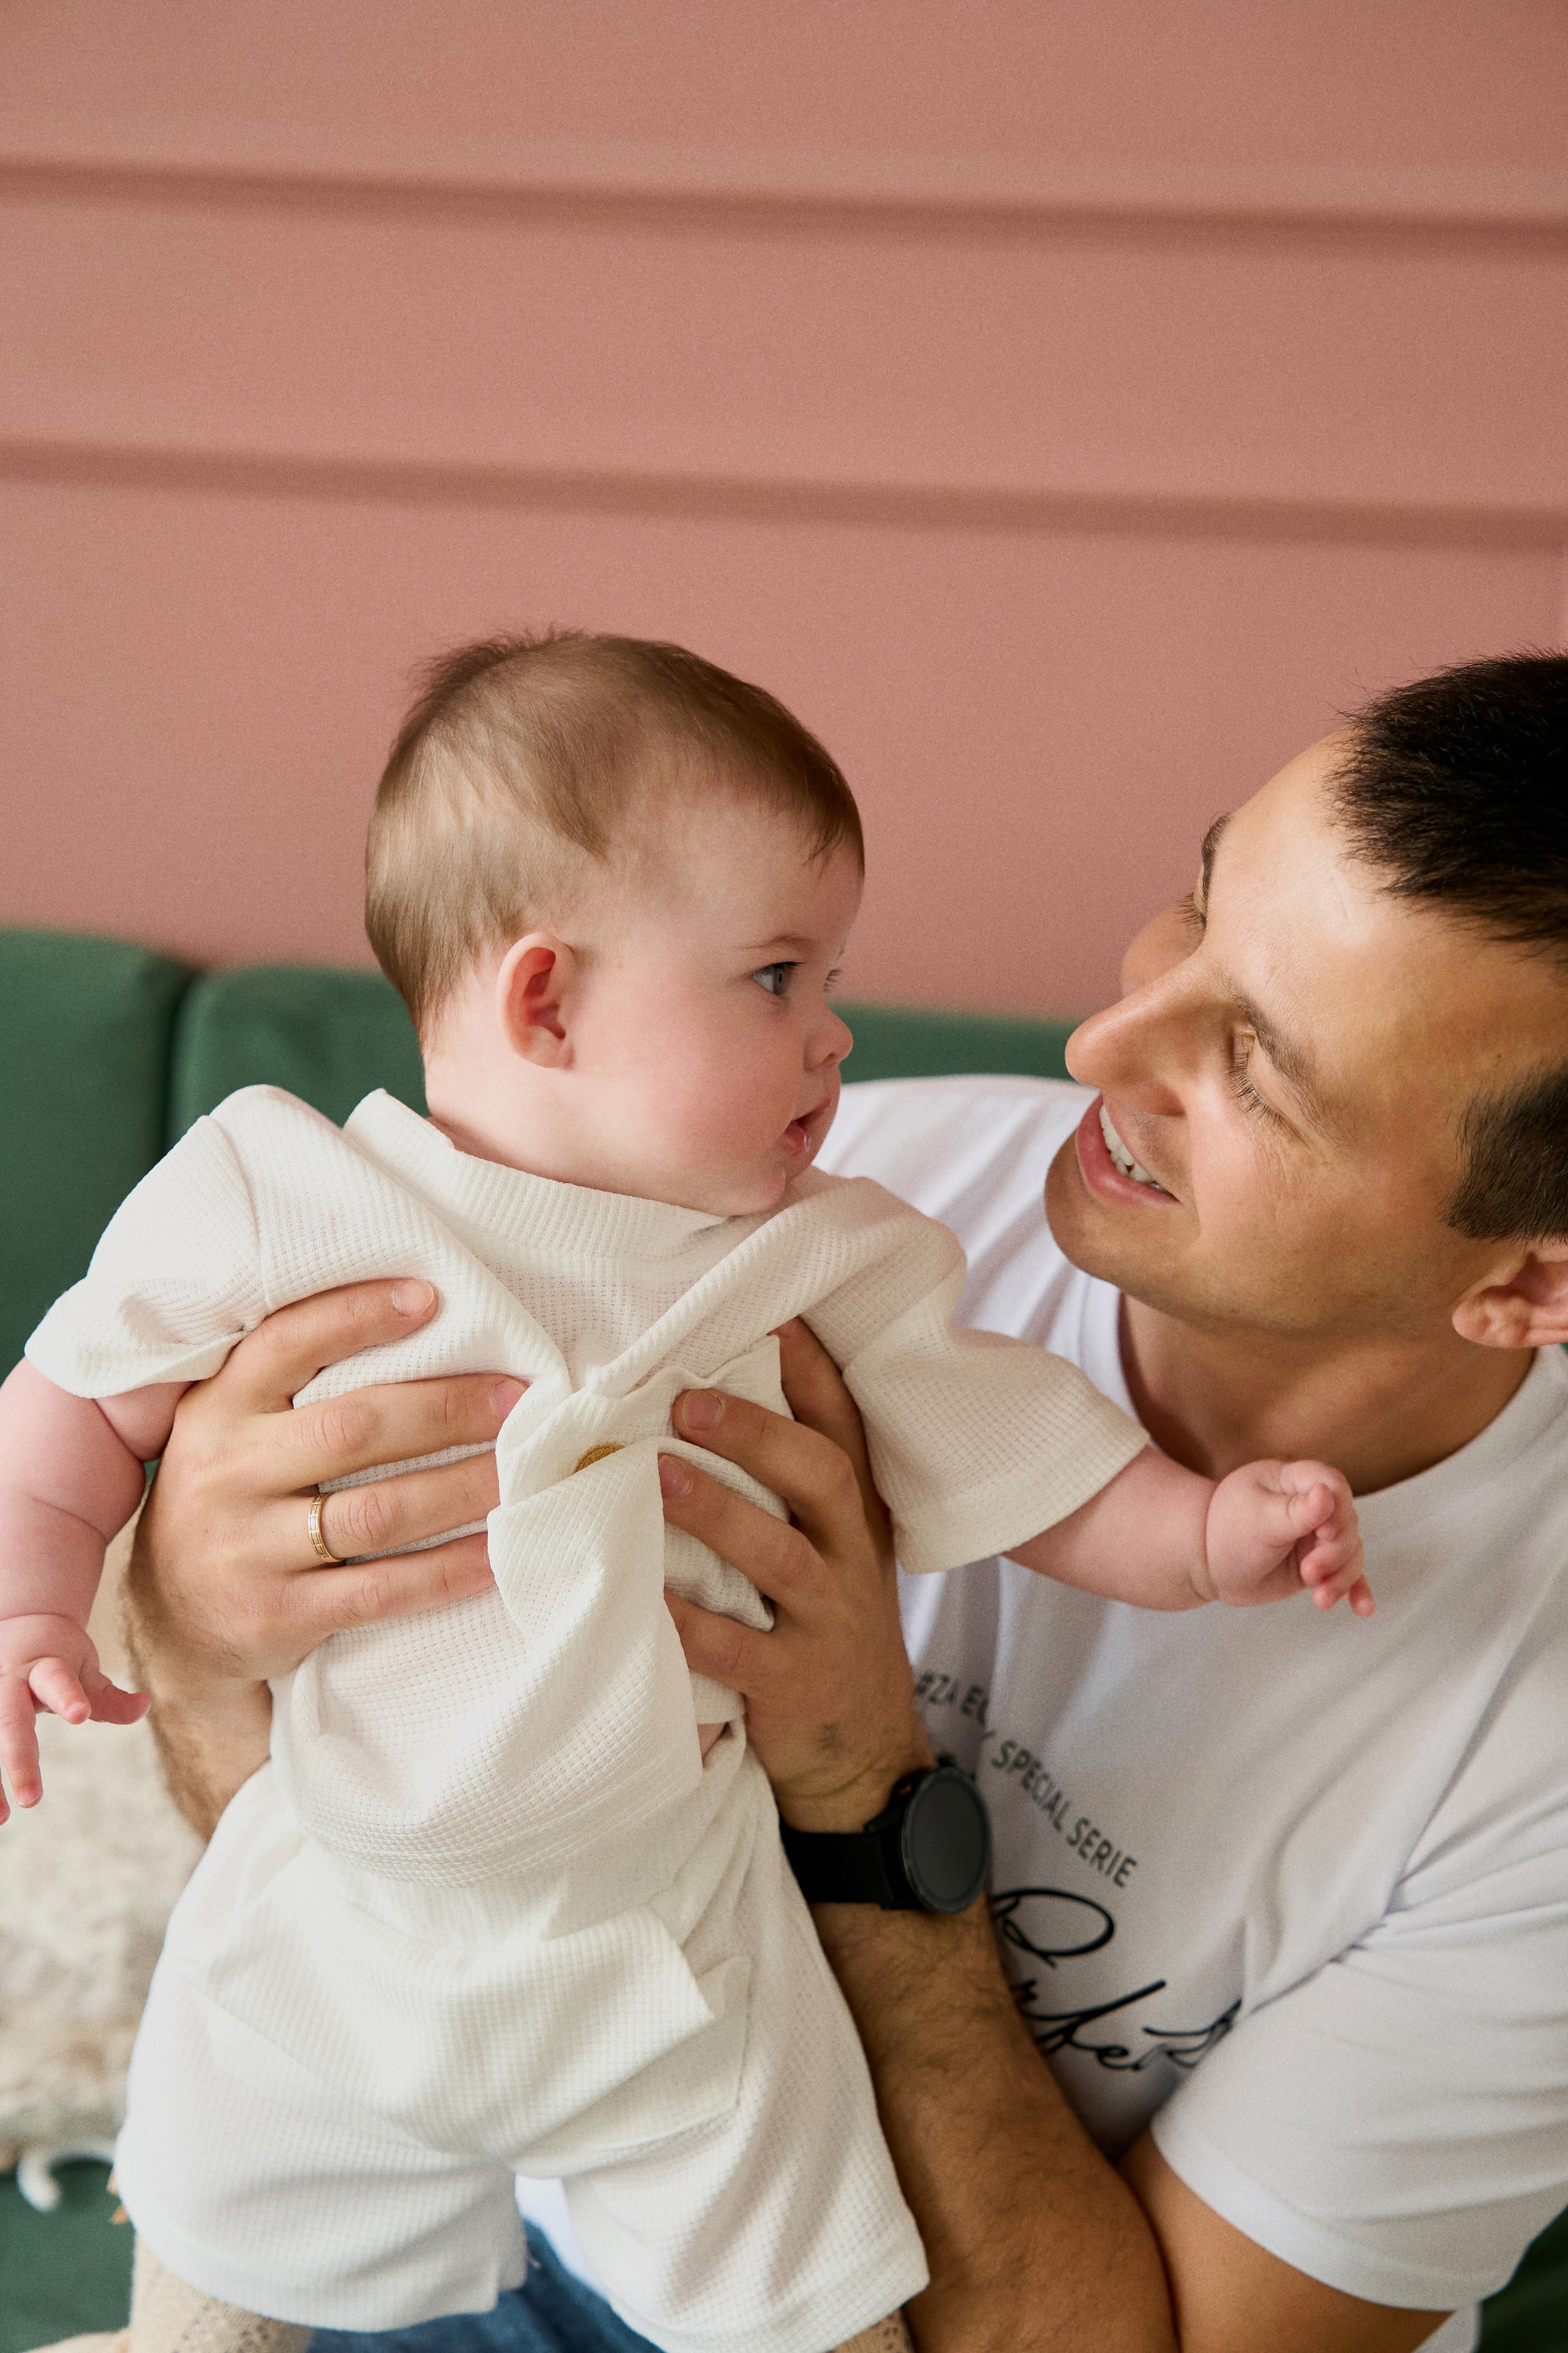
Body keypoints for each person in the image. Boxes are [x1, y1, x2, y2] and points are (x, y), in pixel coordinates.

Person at [94, 652, 1568, 2353]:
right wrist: (201, 1617)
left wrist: (866, 1789)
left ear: (1530, 1284)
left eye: (1255, 1063)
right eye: (1199, 899)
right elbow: (360, 1877)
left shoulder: (1525, 1758)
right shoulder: (788, 1193)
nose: (1101, 1040)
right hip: (492, 2221)